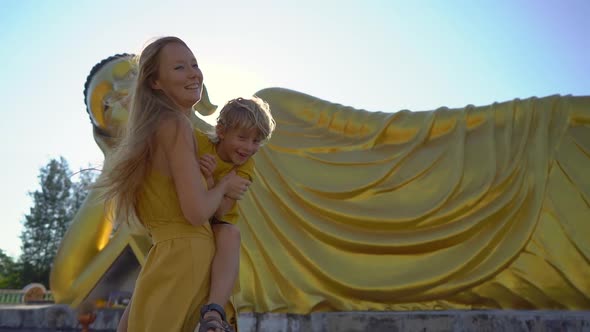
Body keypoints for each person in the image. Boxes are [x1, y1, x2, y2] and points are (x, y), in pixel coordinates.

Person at [97, 36, 251, 332]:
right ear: (155, 82)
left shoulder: (150, 133)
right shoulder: (176, 125)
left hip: (172, 254)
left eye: (194, 64)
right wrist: (222, 187)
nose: (194, 73)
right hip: (182, 256)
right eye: (180, 67)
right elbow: (196, 213)